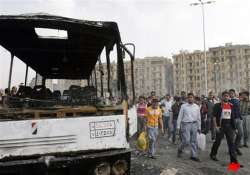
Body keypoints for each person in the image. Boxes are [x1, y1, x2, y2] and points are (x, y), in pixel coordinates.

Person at [210, 91, 243, 167]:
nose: (226, 97)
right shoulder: (217, 105)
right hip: (220, 126)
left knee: (231, 143)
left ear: (229, 97)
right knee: (217, 141)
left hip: (229, 127)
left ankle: (234, 162)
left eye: (227, 96)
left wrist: (235, 128)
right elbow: (214, 117)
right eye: (225, 96)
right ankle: (213, 154)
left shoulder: (231, 105)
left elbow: (232, 118)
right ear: (222, 97)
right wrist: (216, 126)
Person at [177, 92, 201, 162]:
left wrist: (199, 127)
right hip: (186, 124)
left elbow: (199, 117)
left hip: (194, 124)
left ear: (193, 98)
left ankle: (193, 155)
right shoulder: (183, 106)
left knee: (194, 141)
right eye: (189, 97)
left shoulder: (196, 106)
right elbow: (180, 116)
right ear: (187, 98)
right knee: (186, 140)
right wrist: (178, 127)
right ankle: (180, 149)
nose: (190, 99)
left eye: (191, 97)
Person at [229, 89, 243, 155]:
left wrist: (240, 117)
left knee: (240, 134)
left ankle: (235, 147)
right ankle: (232, 150)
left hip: (238, 119)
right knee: (232, 136)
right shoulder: (228, 101)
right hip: (232, 120)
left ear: (234, 93)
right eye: (230, 93)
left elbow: (238, 109)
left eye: (232, 93)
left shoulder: (237, 100)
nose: (231, 94)